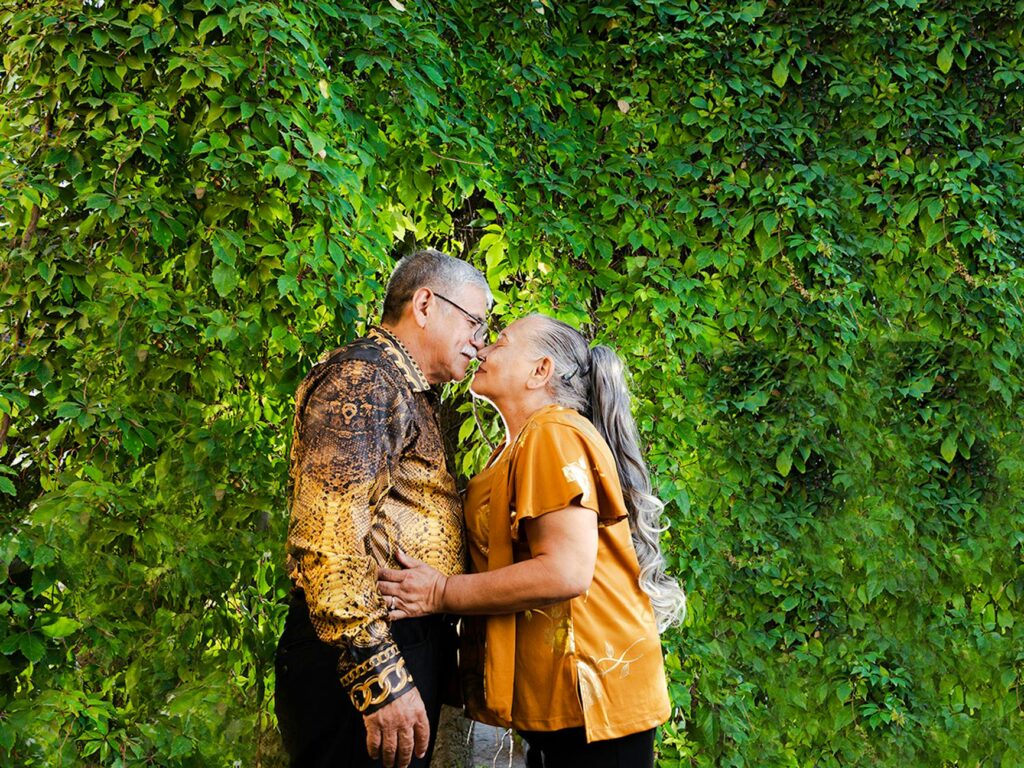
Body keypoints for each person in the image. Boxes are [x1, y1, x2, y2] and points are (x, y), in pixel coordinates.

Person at [378, 314, 686, 768]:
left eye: (500, 343)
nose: (483, 349)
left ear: (540, 371)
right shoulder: (522, 444)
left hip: (593, 706)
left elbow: (565, 570)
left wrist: (440, 592)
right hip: (562, 705)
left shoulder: (551, 433)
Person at [275, 249, 493, 768]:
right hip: (362, 657)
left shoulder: (406, 389)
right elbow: (326, 540)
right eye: (474, 322)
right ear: (424, 304)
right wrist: (380, 680)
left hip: (400, 640)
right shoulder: (364, 381)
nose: (480, 343)